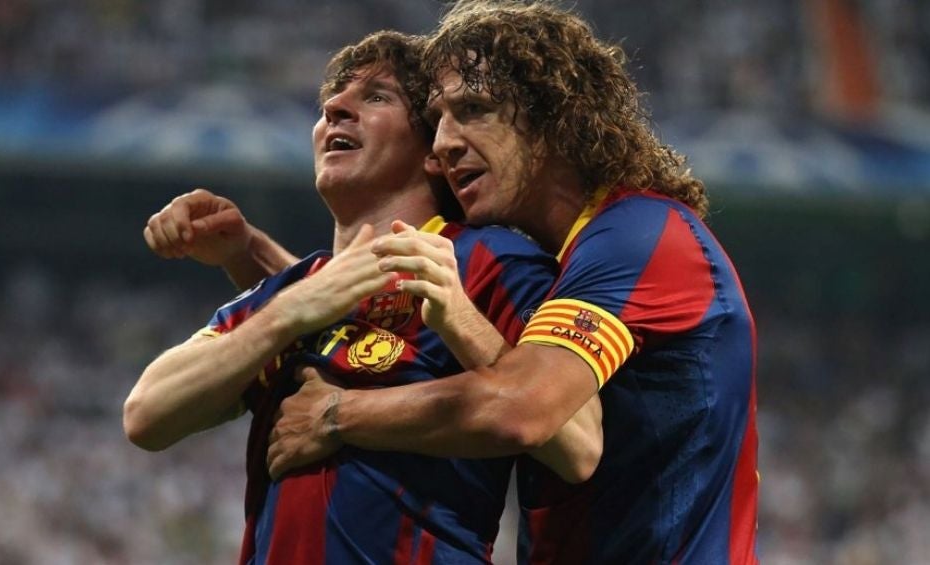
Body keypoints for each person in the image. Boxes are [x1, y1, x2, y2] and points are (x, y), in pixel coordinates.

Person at [266, 2, 759, 563]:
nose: (443, 143)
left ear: (555, 117)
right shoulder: (571, 256)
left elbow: (523, 409)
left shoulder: (643, 235)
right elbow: (393, 331)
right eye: (438, 118)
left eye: (474, 109)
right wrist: (254, 254)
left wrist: (336, 414)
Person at [125, 30, 601, 564]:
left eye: (375, 97)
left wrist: (344, 410)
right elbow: (146, 415)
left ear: (431, 153)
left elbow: (575, 439)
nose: (335, 109)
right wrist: (290, 310)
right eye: (330, 102)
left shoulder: (485, 260)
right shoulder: (297, 289)